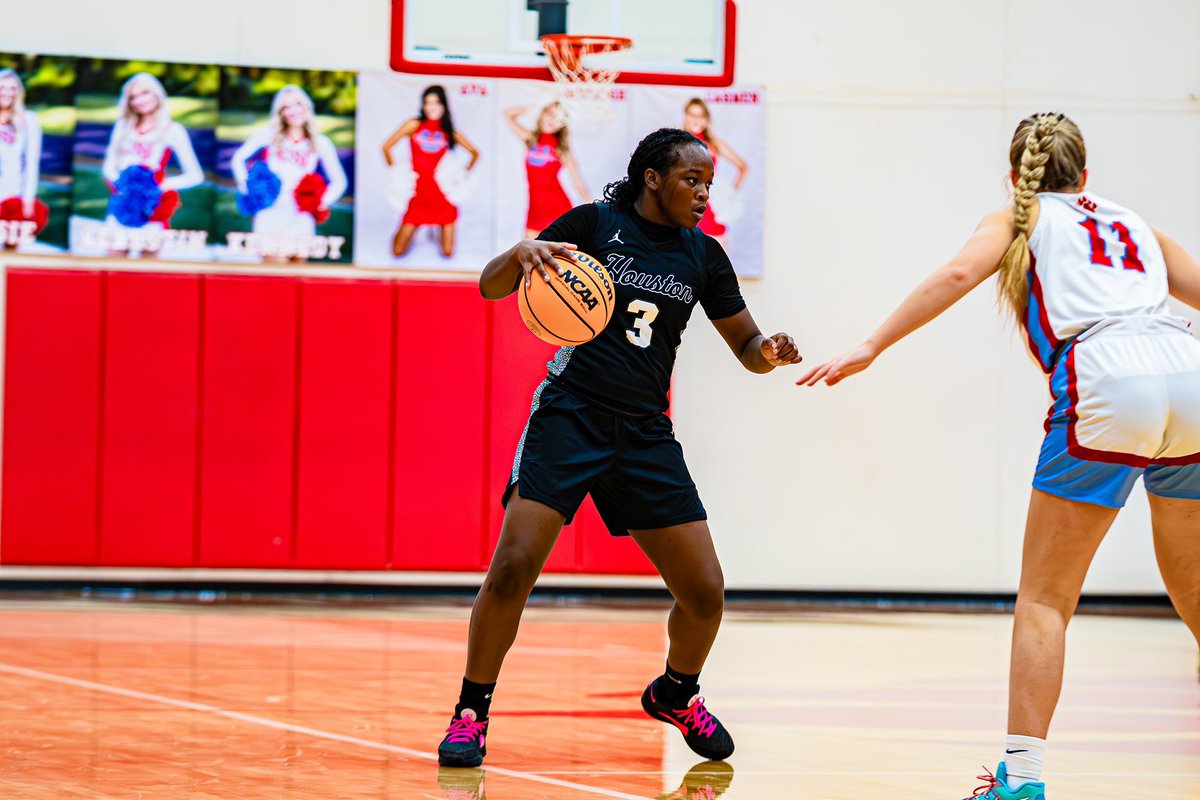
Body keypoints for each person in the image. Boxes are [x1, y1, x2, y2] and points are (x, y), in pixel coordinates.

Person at [798, 112, 1200, 799]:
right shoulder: (1137, 224)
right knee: (1193, 584)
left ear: (1016, 176)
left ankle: (1022, 781)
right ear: (1086, 175)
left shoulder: (1020, 218)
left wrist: (871, 345)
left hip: (1108, 377)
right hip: (1187, 371)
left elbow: (959, 272)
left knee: (1046, 598)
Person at [437, 128, 801, 768]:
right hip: (570, 415)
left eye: (709, 184)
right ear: (652, 178)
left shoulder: (703, 255)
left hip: (643, 432)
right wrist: (520, 253)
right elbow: (492, 287)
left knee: (705, 591)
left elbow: (747, 348)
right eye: (692, 180)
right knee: (514, 566)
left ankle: (675, 693)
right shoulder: (594, 225)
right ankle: (471, 712)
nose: (703, 194)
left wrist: (768, 351)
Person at [231, 84, 347, 246]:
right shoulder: (268, 135)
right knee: (274, 260)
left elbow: (340, 181)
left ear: (307, 107)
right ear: (281, 112)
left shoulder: (321, 142)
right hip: (270, 213)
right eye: (287, 107)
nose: (294, 111)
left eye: (298, 104)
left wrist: (322, 201)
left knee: (298, 262)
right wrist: (250, 190)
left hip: (301, 216)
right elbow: (238, 159)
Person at [382, 85, 479, 258]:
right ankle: (424, 229)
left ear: (443, 105)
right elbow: (386, 146)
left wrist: (460, 177)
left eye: (436, 102)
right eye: (428, 103)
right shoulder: (414, 125)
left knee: (447, 253)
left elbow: (474, 153)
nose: (432, 107)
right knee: (397, 251)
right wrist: (397, 174)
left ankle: (436, 231)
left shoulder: (449, 131)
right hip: (417, 193)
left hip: (442, 195)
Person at [102, 72, 203, 234]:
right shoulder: (123, 125)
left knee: (148, 250)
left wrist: (159, 187)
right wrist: (125, 188)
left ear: (157, 94)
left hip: (152, 210)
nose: (139, 100)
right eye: (133, 97)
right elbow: (108, 166)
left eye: (145, 93)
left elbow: (196, 176)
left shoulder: (173, 130)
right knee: (114, 248)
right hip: (121, 207)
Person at [504, 101, 589, 238]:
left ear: (562, 124)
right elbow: (508, 115)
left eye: (558, 117)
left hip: (559, 210)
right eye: (549, 113)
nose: (552, 119)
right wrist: (534, 105)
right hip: (534, 212)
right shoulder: (530, 139)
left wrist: (590, 209)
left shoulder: (562, 148)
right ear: (542, 113)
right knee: (526, 251)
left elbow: (577, 180)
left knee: (563, 252)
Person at [680, 98, 747, 244]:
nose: (696, 119)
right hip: (686, 214)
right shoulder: (677, 144)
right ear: (686, 116)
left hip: (710, 215)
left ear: (706, 119)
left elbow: (743, 167)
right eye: (692, 114)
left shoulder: (714, 144)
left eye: (700, 115)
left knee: (717, 256)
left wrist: (727, 196)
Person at [0, 68, 45, 239]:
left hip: (13, 196)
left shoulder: (28, 120)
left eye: (12, 88)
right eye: (2, 87)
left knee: (11, 246)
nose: (7, 93)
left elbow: (32, 163)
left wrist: (28, 199)